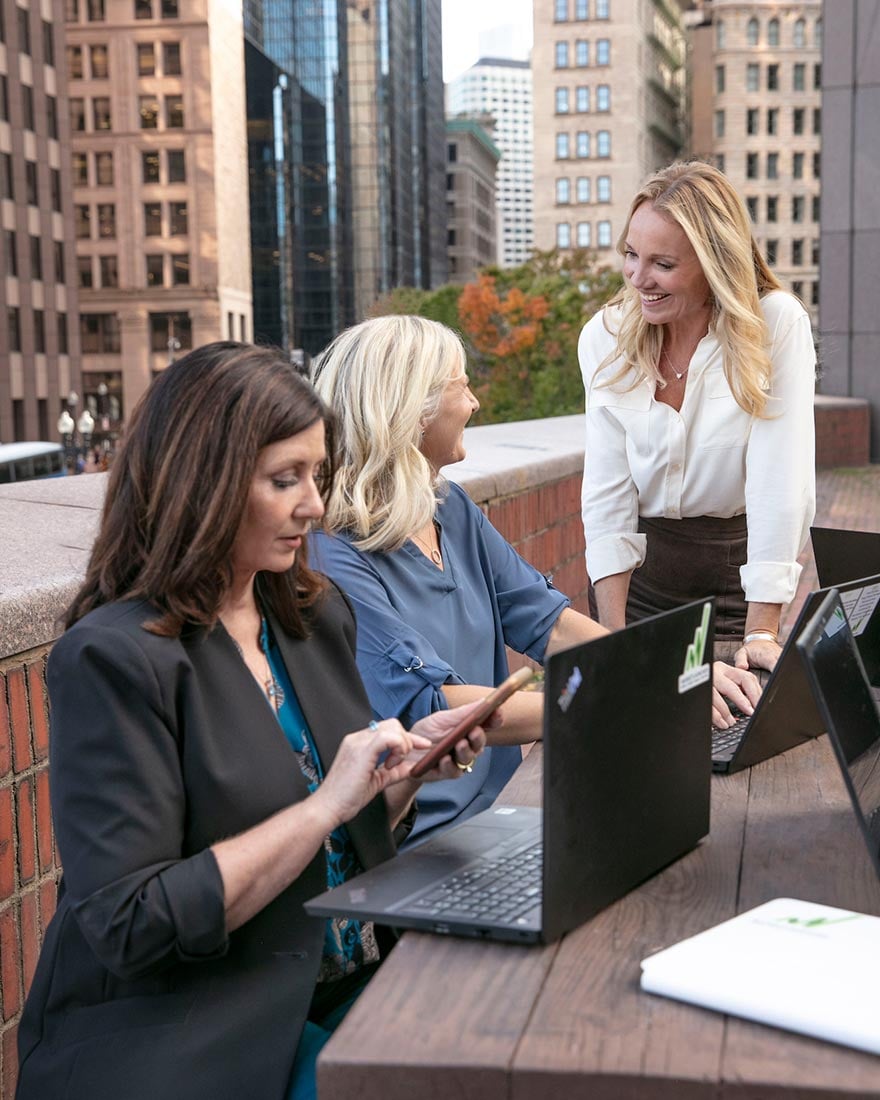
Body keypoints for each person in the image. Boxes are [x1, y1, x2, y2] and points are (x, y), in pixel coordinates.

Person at [15, 343, 490, 1100]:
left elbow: (345, 837)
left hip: (347, 986)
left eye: (319, 477)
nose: (314, 506)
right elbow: (132, 924)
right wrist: (328, 802)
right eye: (285, 480)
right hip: (200, 1030)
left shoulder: (310, 614)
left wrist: (400, 780)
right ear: (203, 484)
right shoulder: (112, 659)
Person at [310, 316, 759, 846]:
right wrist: (630, 701)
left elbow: (550, 625)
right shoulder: (333, 554)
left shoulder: (448, 509)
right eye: (462, 386)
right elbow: (435, 706)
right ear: (409, 410)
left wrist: (673, 668)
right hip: (427, 839)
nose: (475, 403)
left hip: (509, 810)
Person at [580, 160, 816, 674]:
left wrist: (761, 630)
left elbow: (781, 481)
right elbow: (607, 491)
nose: (639, 278)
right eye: (630, 255)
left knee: (740, 736)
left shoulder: (776, 325)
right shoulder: (604, 336)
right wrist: (613, 641)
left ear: (714, 263)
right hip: (637, 588)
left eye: (662, 264)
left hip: (739, 592)